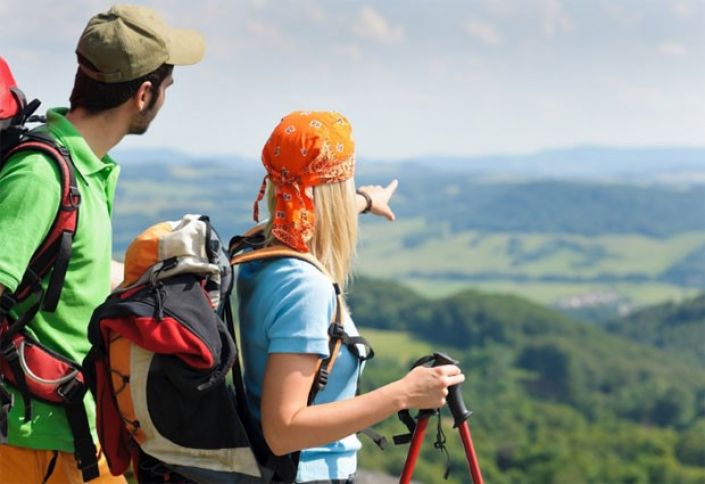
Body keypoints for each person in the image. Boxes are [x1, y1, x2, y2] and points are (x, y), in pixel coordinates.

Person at [0, 5, 205, 482]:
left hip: (72, 431)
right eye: (167, 88)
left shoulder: (86, 168)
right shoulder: (42, 175)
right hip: (29, 445)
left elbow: (73, 274)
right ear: (144, 93)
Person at [237, 111, 465, 483]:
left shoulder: (259, 249)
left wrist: (363, 200)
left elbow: (306, 209)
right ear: (331, 192)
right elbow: (283, 430)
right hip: (305, 475)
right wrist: (405, 393)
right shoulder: (305, 289)